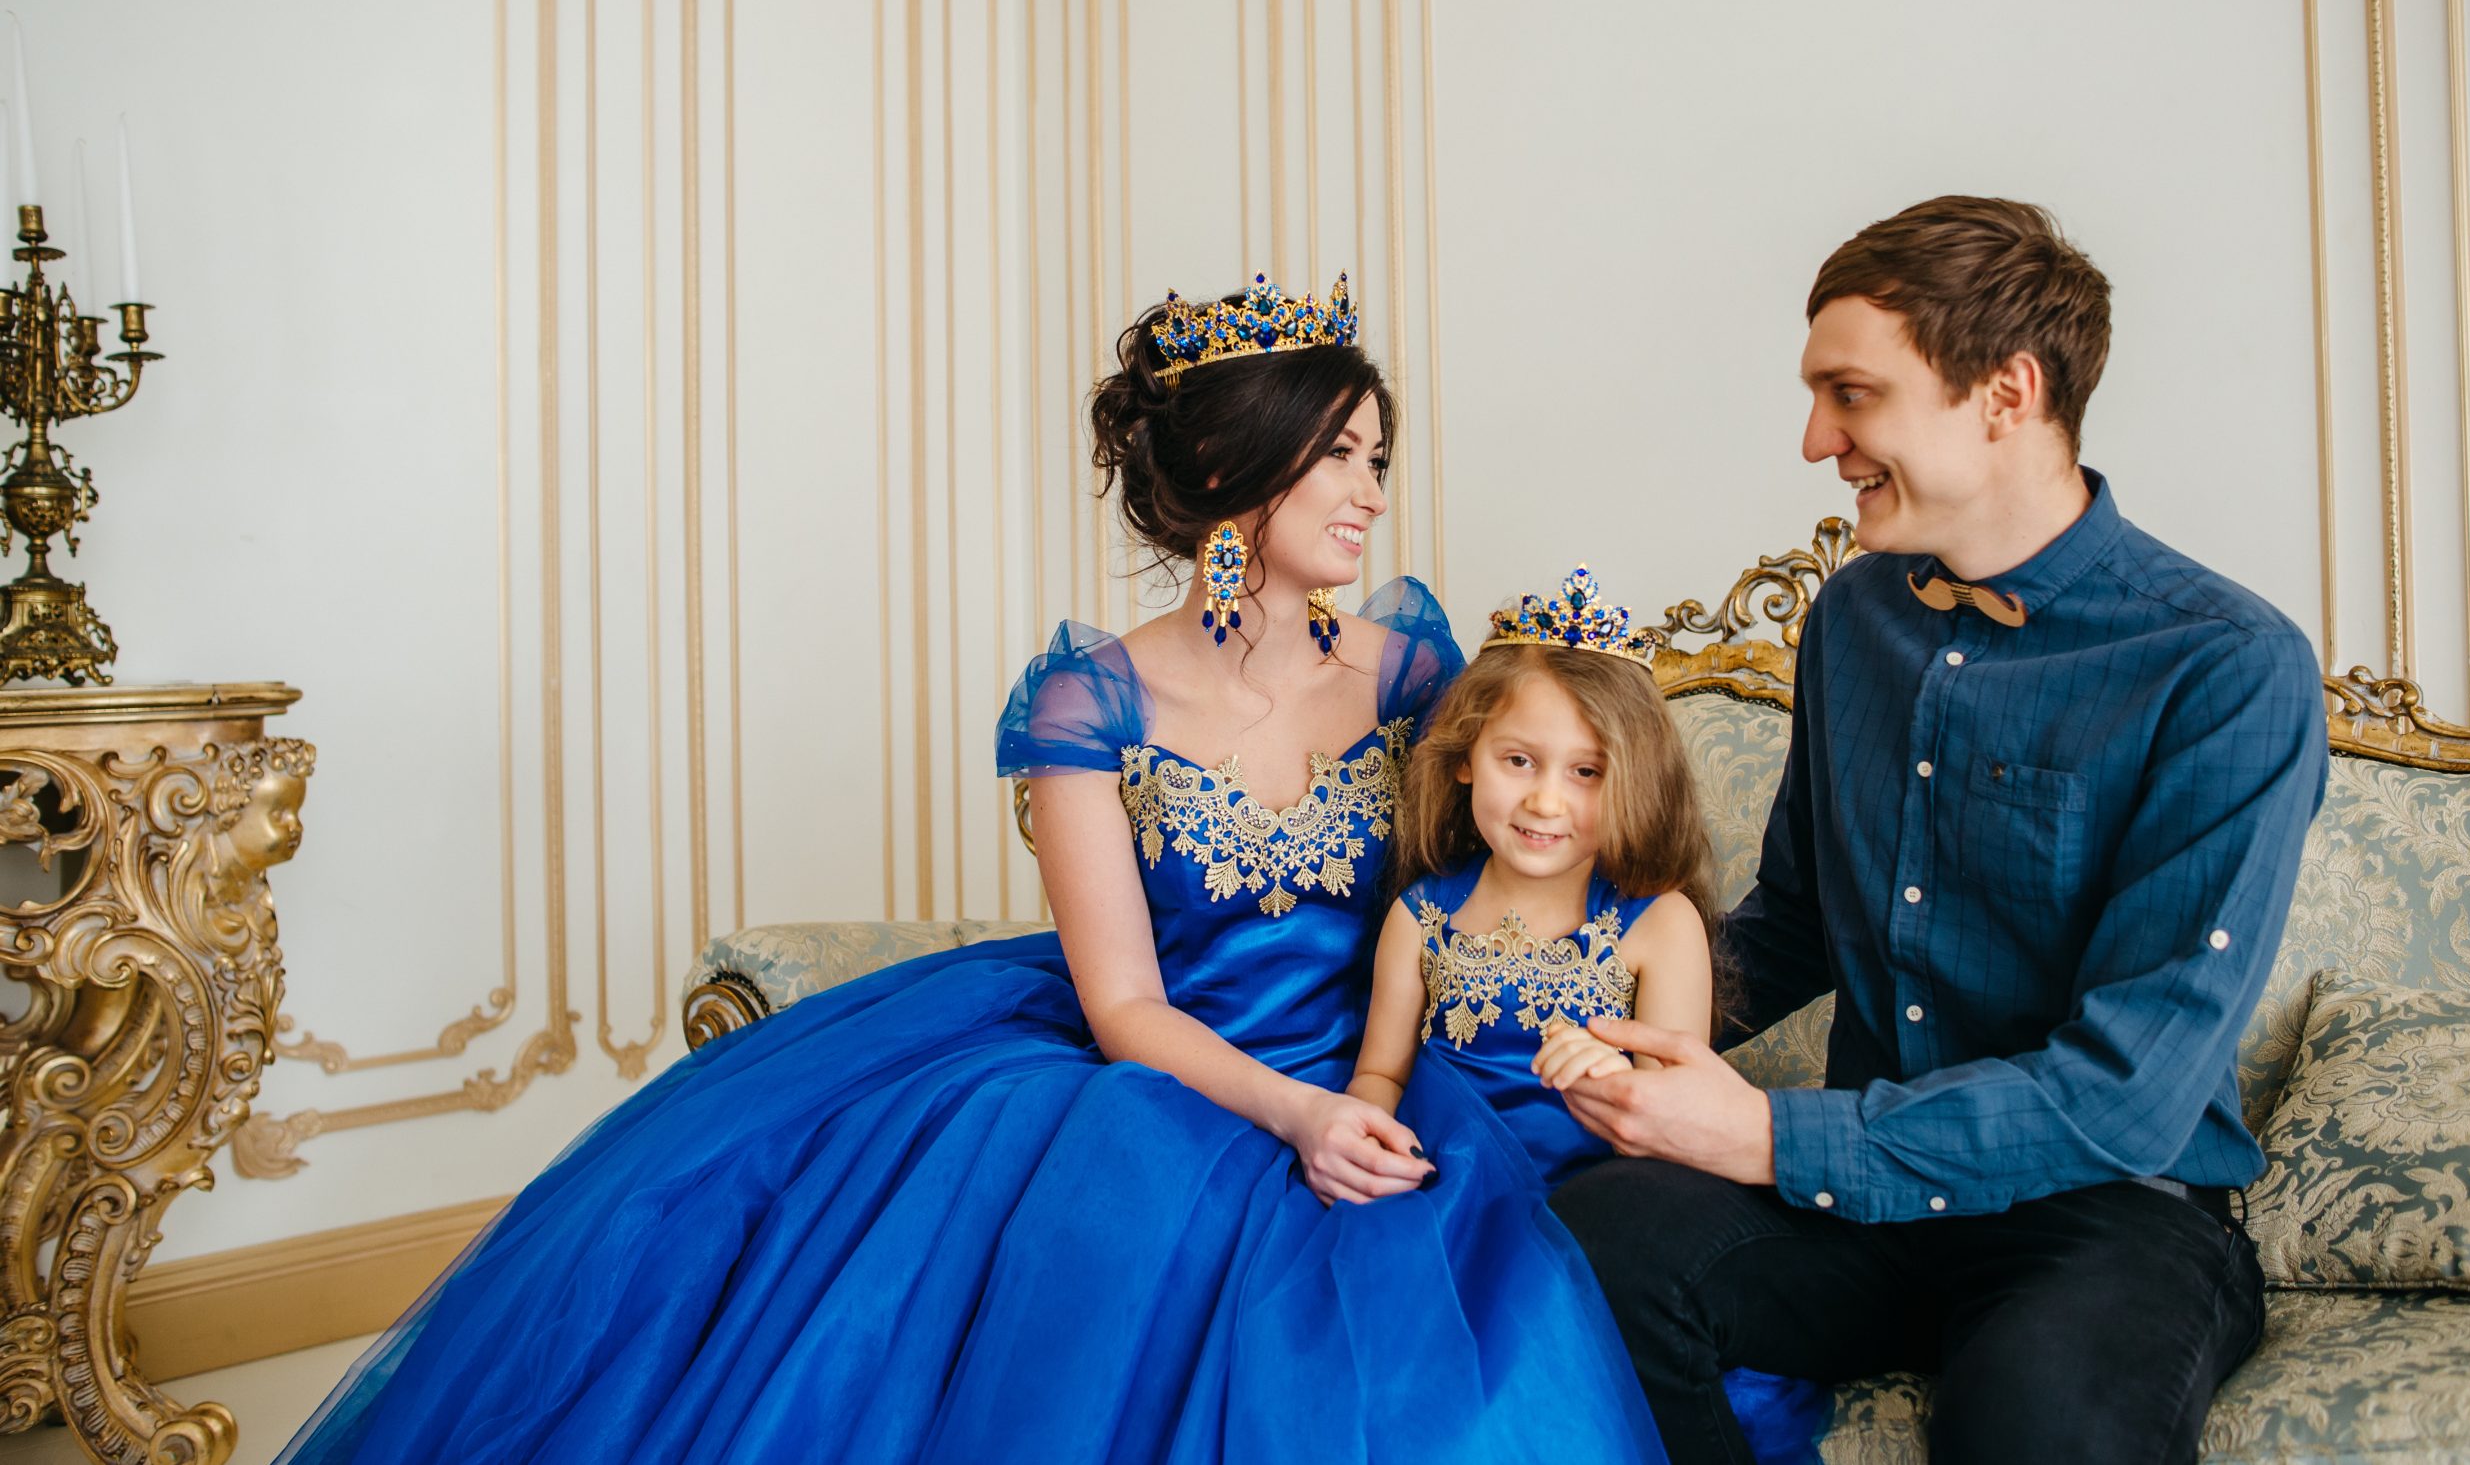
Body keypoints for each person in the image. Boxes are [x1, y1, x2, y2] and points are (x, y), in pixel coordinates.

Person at [279, 274, 1669, 1465]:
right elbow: (1124, 1007)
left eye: (1378, 455)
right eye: (1343, 455)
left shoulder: (1418, 673)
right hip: (1169, 1071)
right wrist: (1297, 1121)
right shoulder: (1091, 705)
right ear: (1240, 473)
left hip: (1375, 1052)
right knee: (1084, 1245)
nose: (1373, 490)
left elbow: (1500, 881)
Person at [1546, 198, 2331, 1465]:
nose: (1816, 441)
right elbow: (1794, 922)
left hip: (2105, 1212)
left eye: (1849, 394)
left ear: (2006, 391)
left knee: (2043, 1427)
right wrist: (1588, 1015)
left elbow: (2127, 1089)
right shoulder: (1853, 617)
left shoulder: (2225, 668)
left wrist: (1759, 1131)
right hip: (1856, 1203)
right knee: (1576, 1245)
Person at [1344, 568, 1825, 1465]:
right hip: (1444, 1202)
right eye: (1517, 760)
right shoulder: (1420, 918)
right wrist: (1366, 1131)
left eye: (1587, 772)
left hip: (1604, 1214)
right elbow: (1383, 1071)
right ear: (1463, 756)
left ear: (1631, 781)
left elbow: (1679, 1112)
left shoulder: (1659, 920)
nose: (1545, 801)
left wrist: (1616, 1079)